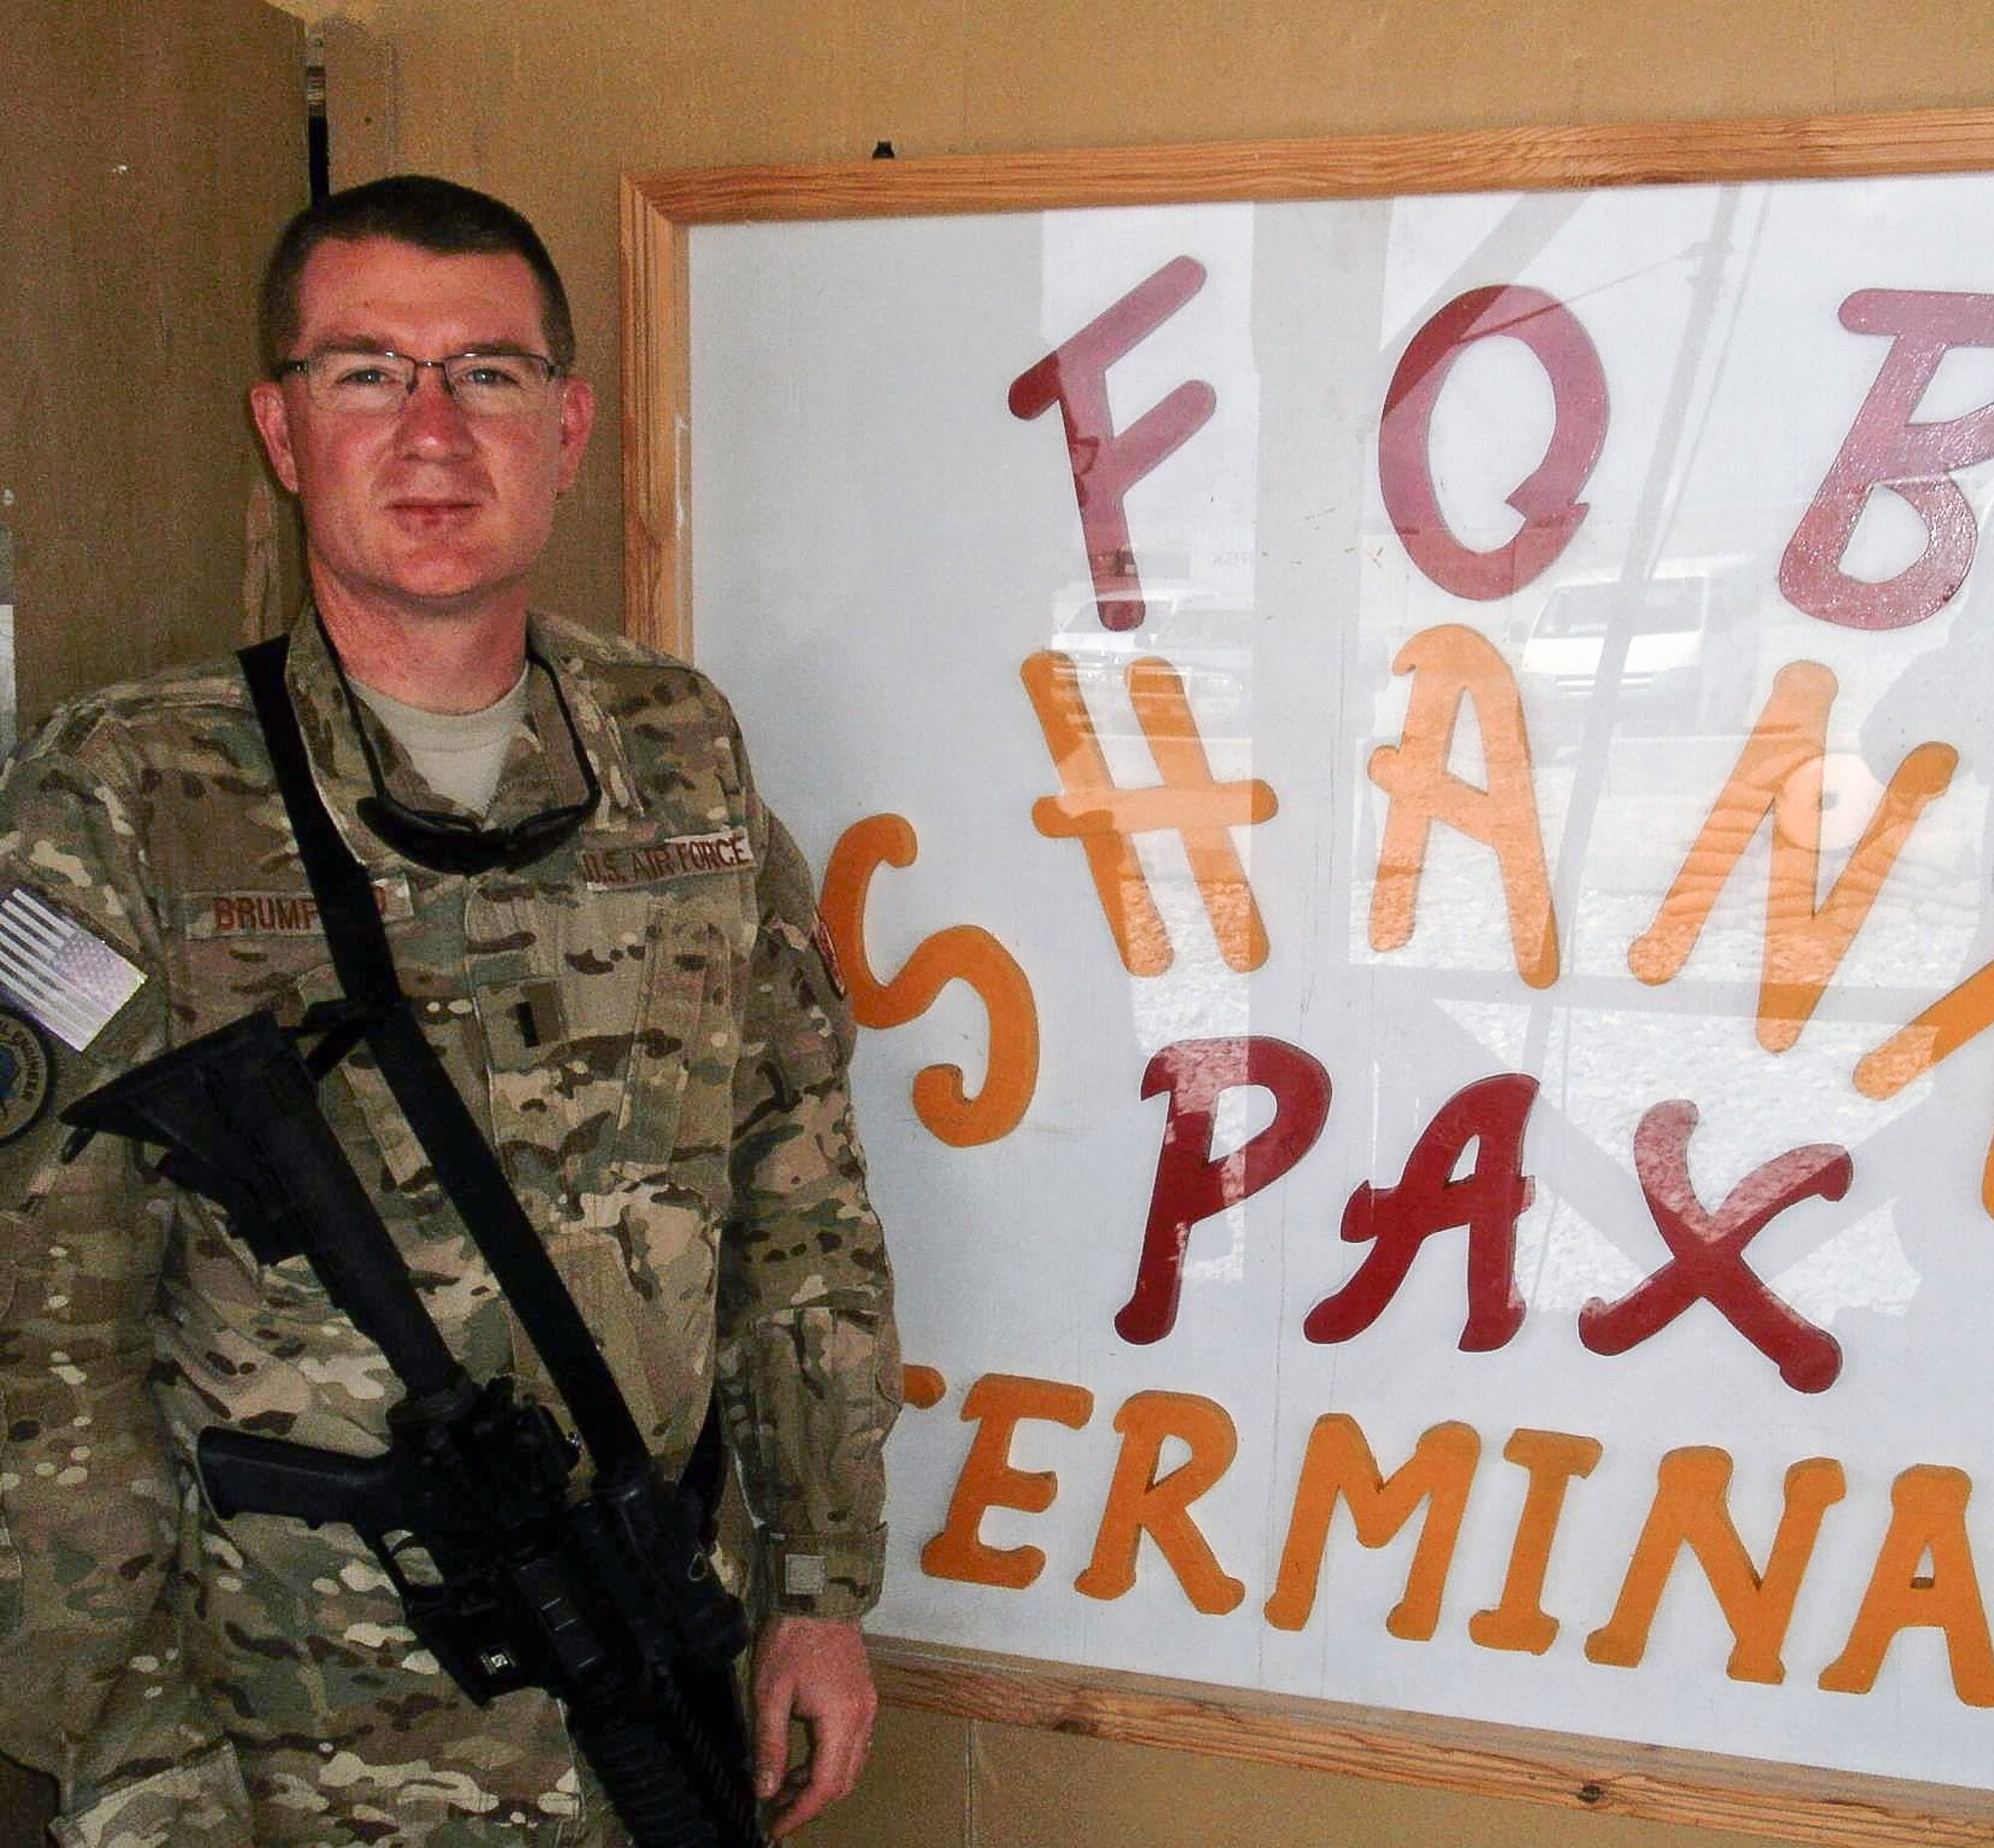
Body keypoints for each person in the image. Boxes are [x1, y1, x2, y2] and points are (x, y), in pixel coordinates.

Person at [0, 175, 899, 1846]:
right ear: (281, 428)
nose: (430, 430)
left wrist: (821, 1579)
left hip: (645, 1684)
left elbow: (800, 1186)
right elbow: (39, 1343)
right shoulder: (125, 798)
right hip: (277, 1751)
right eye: (365, 373)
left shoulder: (677, 752)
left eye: (485, 374)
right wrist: (132, 1759)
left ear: (566, 427)